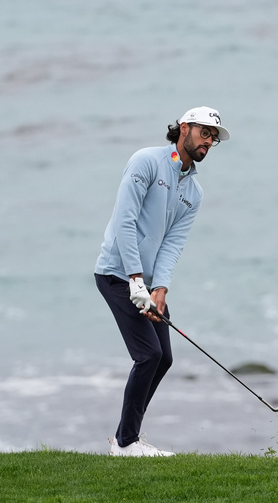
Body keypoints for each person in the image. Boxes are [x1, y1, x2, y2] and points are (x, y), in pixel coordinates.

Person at [94, 106, 230, 457]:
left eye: (214, 137)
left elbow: (172, 244)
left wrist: (160, 288)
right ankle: (126, 443)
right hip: (115, 274)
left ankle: (126, 438)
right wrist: (135, 280)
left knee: (163, 358)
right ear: (183, 128)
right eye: (204, 132)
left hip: (147, 283)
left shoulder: (194, 192)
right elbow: (125, 221)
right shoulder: (146, 162)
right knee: (148, 355)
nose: (209, 141)